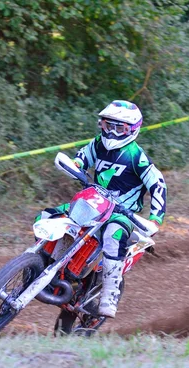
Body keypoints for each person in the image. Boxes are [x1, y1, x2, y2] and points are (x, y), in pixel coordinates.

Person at [37, 100, 167, 318]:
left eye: (119, 128)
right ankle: (40, 264)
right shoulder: (97, 144)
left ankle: (109, 293)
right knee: (48, 214)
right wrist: (75, 167)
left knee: (112, 235)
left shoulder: (137, 156)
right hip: (94, 201)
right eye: (108, 125)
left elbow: (158, 184)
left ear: (132, 130)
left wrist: (155, 220)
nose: (112, 133)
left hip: (122, 213)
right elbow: (81, 159)